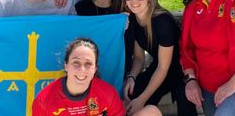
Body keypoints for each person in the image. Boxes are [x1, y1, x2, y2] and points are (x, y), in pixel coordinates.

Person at [122, 0, 197, 116]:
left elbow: (164, 67)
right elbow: (138, 58)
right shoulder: (133, 19)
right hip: (159, 67)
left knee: (185, 99)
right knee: (132, 92)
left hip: (181, 67)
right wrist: (131, 77)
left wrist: (142, 100)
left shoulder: (162, 21)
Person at [32, 37, 161, 116]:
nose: (82, 70)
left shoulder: (107, 92)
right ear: (66, 65)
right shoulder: (44, 100)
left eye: (88, 64)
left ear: (95, 69)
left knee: (151, 112)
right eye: (76, 63)